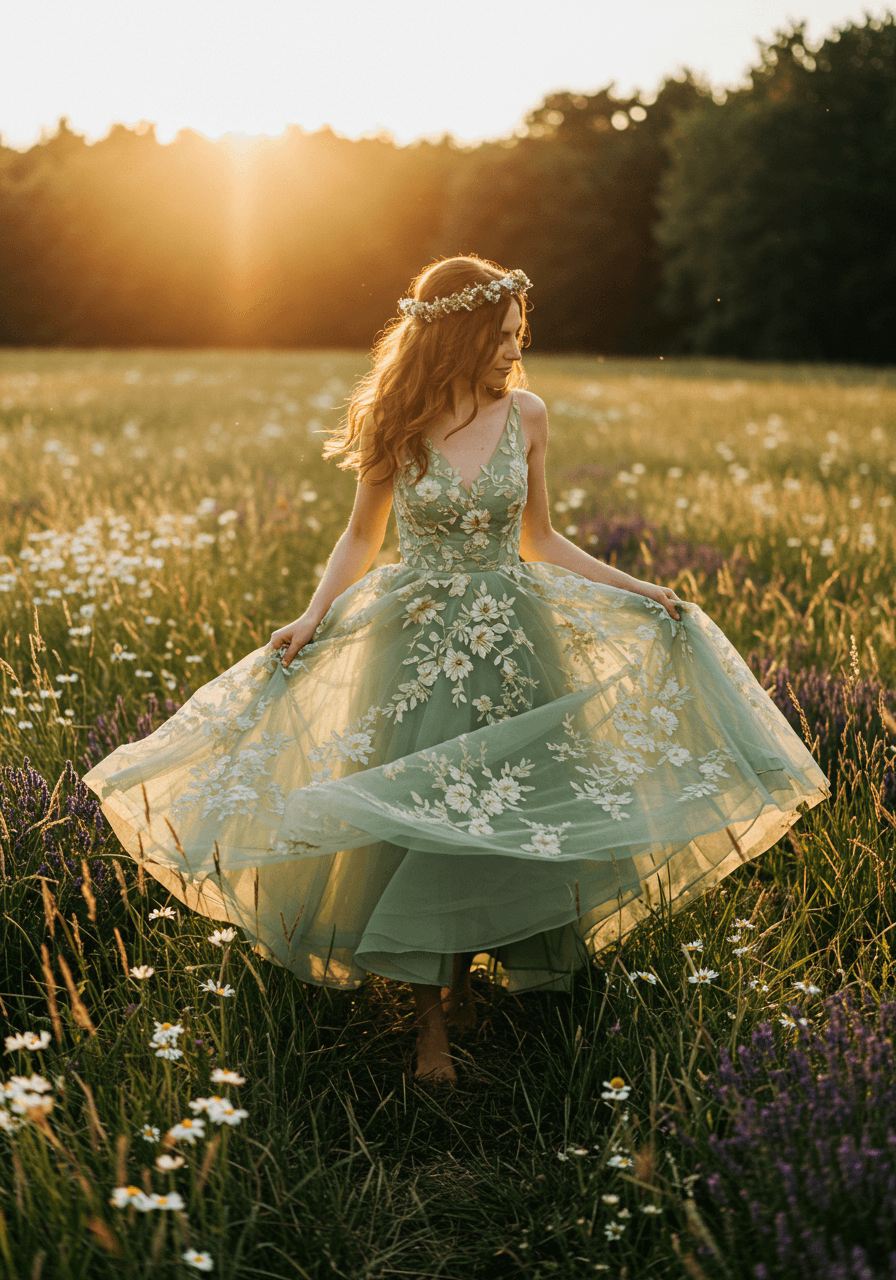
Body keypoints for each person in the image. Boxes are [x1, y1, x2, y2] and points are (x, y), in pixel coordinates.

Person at [84, 256, 828, 1084]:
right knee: (421, 823)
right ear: (458, 335)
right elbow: (361, 538)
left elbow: (540, 538)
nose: (515, 349)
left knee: (504, 812)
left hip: (517, 640)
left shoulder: (528, 414)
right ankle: (428, 1027)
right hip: (417, 648)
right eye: (501, 336)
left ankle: (469, 972)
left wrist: (638, 588)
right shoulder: (397, 420)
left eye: (518, 335)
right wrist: (313, 615)